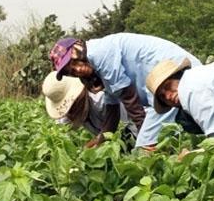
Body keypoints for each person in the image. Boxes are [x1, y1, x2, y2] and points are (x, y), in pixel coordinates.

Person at [49, 33, 201, 149]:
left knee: (145, 149)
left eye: (74, 62)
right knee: (192, 123)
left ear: (78, 50)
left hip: (171, 76)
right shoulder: (96, 70)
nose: (78, 70)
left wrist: (145, 138)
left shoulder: (99, 54)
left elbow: (130, 99)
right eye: (71, 72)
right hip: (160, 86)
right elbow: (112, 109)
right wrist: (100, 141)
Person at [41, 71, 137, 147]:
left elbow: (127, 128)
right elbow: (61, 131)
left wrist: (96, 144)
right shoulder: (68, 114)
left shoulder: (102, 100)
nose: (71, 113)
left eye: (73, 106)